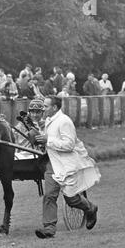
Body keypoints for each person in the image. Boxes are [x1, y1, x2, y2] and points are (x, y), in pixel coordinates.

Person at [34, 96, 100, 239]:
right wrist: (42, 142)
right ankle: (49, 228)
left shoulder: (64, 121)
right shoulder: (48, 121)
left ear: (55, 108)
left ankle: (90, 208)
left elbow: (69, 145)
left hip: (66, 165)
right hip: (52, 163)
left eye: (45, 106)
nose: (42, 109)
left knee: (71, 199)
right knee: (49, 195)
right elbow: (50, 142)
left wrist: (48, 140)